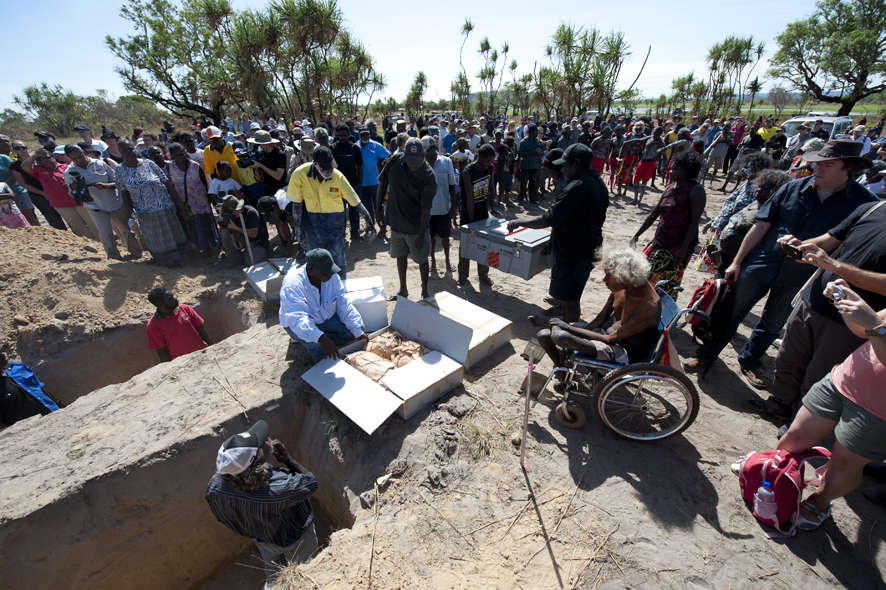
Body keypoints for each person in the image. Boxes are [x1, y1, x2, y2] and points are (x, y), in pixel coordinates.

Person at [684, 140, 878, 390]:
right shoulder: (792, 188)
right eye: (817, 163)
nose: (817, 169)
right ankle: (706, 355)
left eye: (828, 164)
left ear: (849, 168)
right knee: (730, 313)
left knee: (773, 324)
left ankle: (750, 360)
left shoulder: (864, 204)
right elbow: (760, 226)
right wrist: (738, 262)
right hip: (761, 264)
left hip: (802, 276)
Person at [775, 281, 886, 530]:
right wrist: (847, 304)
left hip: (879, 410)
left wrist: (874, 324)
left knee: (844, 464)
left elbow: (877, 330)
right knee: (795, 436)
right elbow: (863, 331)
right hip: (845, 380)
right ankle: (775, 476)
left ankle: (820, 503)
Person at [206, 420, 319, 584]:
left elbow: (224, 518)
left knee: (274, 577)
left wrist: (251, 530)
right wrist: (287, 459)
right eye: (263, 442)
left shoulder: (215, 488)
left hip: (262, 541)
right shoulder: (279, 487)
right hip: (295, 539)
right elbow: (310, 482)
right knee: (308, 573)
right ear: (257, 463)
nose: (267, 439)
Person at [508, 144, 609, 323]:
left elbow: (548, 219)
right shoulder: (599, 183)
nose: (563, 169)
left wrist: (518, 222)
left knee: (571, 301)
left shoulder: (576, 187)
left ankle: (568, 337)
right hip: (588, 248)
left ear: (576, 163)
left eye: (565, 165)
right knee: (572, 295)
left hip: (573, 253)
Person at [536, 246, 662, 376]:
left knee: (561, 336)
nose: (604, 279)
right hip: (603, 334)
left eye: (608, 275)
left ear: (623, 278)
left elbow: (609, 339)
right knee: (544, 335)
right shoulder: (624, 287)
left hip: (620, 350)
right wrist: (575, 337)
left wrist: (568, 329)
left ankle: (561, 350)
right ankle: (562, 371)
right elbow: (600, 318)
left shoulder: (647, 306)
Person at [287, 146, 373, 281]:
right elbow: (297, 205)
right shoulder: (299, 174)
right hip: (312, 226)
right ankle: (317, 291)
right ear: (315, 164)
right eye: (325, 168)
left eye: (331, 167)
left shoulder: (338, 176)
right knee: (314, 263)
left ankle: (340, 289)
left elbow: (356, 202)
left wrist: (370, 223)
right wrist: (298, 230)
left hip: (335, 227)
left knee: (339, 260)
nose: (329, 171)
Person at [632, 150, 706, 300]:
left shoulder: (695, 190)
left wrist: (682, 249)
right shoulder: (670, 187)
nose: (670, 170)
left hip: (677, 247)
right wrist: (637, 235)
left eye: (675, 168)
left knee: (663, 284)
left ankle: (657, 317)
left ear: (685, 171)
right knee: (642, 277)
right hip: (659, 242)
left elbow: (694, 222)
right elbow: (654, 214)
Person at [278, 248, 368, 361]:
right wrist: (321, 338)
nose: (330, 275)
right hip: (298, 323)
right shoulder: (292, 284)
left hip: (325, 318)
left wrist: (357, 330)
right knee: (317, 345)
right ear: (311, 269)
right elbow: (297, 318)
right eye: (325, 273)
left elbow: (343, 303)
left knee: (357, 329)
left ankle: (321, 335)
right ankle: (318, 355)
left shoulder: (331, 276)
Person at [115, 139, 192, 264]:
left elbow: (166, 182)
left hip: (164, 205)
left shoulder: (149, 163)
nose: (128, 152)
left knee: (174, 232)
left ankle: (184, 256)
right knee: (156, 238)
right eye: (124, 150)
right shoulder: (120, 170)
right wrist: (128, 209)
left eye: (130, 148)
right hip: (145, 210)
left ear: (134, 149)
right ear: (120, 152)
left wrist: (179, 202)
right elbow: (123, 191)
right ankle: (166, 260)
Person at [376, 138, 435, 299]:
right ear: (404, 154)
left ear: (423, 156)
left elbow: (426, 208)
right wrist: (378, 211)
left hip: (416, 227)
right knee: (400, 256)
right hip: (396, 224)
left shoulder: (429, 176)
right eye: (410, 161)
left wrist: (422, 235)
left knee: (422, 259)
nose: (413, 165)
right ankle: (403, 289)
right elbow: (382, 185)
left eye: (417, 162)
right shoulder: (394, 161)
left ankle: (424, 292)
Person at [63, 144, 142, 260]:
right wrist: (75, 189)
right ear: (70, 158)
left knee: (125, 229)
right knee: (105, 233)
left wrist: (107, 186)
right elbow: (71, 193)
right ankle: (113, 257)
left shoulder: (99, 163)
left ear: (84, 153)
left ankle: (137, 253)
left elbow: (117, 180)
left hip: (114, 202)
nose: (79, 160)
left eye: (80, 156)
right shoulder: (70, 172)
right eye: (74, 159)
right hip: (94, 205)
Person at [22, 148, 98, 240]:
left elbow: (79, 180)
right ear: (40, 162)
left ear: (53, 158)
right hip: (59, 203)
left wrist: (71, 184)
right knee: (76, 226)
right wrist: (35, 155)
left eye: (48, 158)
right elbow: (24, 167)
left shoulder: (66, 167)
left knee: (92, 221)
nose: (47, 160)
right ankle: (91, 243)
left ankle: (103, 241)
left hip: (77, 200)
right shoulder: (39, 170)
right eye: (43, 159)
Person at [167, 142, 220, 253]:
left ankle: (211, 247)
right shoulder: (170, 168)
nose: (180, 157)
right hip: (184, 203)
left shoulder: (195, 166)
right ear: (172, 156)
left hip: (200, 202)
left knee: (204, 225)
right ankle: (199, 247)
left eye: (181, 154)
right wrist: (179, 203)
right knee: (192, 225)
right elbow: (170, 186)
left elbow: (204, 183)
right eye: (176, 155)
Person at [458, 144, 497, 288]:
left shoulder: (490, 168)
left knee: (483, 245)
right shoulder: (468, 172)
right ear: (480, 157)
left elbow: (491, 189)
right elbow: (469, 198)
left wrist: (493, 207)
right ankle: (463, 275)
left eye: (491, 161)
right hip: (468, 214)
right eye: (487, 161)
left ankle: (483, 274)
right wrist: (473, 223)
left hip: (483, 213)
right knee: (466, 245)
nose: (489, 164)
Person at [8, 141, 66, 230]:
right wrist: (43, 193)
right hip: (38, 194)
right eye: (17, 148)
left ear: (28, 148)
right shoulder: (15, 166)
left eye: (23, 147)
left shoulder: (41, 159)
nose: (21, 150)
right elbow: (22, 184)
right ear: (14, 151)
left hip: (55, 190)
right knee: (53, 218)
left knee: (69, 214)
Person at [145, 288, 213, 362]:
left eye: (173, 296)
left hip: (202, 353)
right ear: (159, 304)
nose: (174, 298)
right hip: (181, 362)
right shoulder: (153, 325)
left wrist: (212, 346)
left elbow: (201, 329)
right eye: (170, 298)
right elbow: (161, 350)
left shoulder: (185, 309)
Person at [423, 136, 457, 275]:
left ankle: (448, 261)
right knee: (430, 237)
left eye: (426, 150)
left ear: (433, 148)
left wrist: (453, 207)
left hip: (443, 208)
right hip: (427, 209)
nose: (425, 153)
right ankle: (433, 262)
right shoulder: (421, 163)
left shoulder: (446, 162)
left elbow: (452, 185)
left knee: (445, 237)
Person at [0, 352, 60, 427]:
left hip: (55, 414)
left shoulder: (16, 367)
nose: (2, 354)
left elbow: (40, 387)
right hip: (35, 429)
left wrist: (57, 404)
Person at [330, 123, 364, 240]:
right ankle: (342, 233)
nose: (342, 138)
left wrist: (359, 181)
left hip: (353, 184)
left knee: (354, 209)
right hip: (338, 186)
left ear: (349, 134)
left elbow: (360, 166)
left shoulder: (355, 148)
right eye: (340, 136)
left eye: (344, 135)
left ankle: (355, 231)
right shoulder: (333, 149)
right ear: (337, 135)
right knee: (340, 210)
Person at [219, 194, 269, 266]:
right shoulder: (230, 214)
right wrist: (223, 222)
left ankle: (265, 252)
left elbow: (254, 234)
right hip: (241, 238)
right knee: (225, 232)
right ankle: (235, 259)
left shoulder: (251, 212)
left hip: (255, 240)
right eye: (231, 211)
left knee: (252, 262)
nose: (233, 213)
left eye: (235, 210)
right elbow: (224, 230)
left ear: (241, 207)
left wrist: (235, 228)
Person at [0, 141, 39, 226]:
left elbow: (15, 173)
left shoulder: (3, 158)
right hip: (1, 198)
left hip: (17, 192)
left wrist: (2, 186)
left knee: (29, 217)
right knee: (6, 220)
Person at [358, 126, 390, 228]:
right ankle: (370, 226)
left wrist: (381, 163)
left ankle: (382, 226)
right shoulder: (355, 146)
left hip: (375, 182)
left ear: (369, 134)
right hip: (361, 182)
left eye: (366, 134)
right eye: (362, 134)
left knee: (379, 205)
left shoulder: (376, 146)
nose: (365, 136)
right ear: (359, 135)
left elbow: (389, 157)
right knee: (366, 206)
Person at [247, 130, 288, 199]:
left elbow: (278, 176)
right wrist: (255, 168)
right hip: (268, 192)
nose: (260, 146)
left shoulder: (280, 155)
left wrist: (261, 166)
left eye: (262, 144)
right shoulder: (261, 155)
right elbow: (260, 178)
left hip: (281, 192)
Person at [517, 124, 543, 204]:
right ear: (531, 132)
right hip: (526, 166)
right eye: (536, 131)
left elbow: (542, 151)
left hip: (535, 165)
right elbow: (520, 154)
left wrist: (539, 152)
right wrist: (531, 152)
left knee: (534, 183)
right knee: (523, 183)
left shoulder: (538, 141)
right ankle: (521, 198)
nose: (537, 133)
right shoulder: (524, 142)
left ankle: (533, 199)